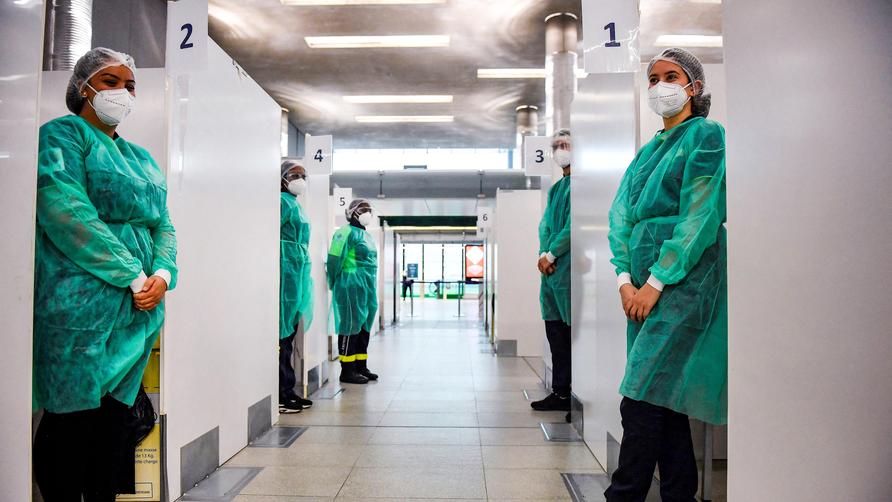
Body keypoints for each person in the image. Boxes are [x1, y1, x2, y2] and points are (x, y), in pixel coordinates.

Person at [32, 47, 178, 501]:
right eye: (112, 82)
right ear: (83, 88)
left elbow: (163, 224)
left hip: (138, 313)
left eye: (130, 85)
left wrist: (162, 273)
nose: (123, 92)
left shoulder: (141, 157)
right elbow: (66, 211)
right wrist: (133, 276)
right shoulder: (63, 136)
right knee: (70, 424)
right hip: (81, 309)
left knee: (114, 432)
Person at [604, 48, 727, 502]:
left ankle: (624, 494)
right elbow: (620, 216)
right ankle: (679, 495)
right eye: (653, 78)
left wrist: (656, 283)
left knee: (638, 401)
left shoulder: (706, 136)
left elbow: (699, 217)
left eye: (670, 76)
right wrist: (624, 279)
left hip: (683, 286)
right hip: (638, 289)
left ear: (694, 86)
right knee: (665, 400)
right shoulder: (648, 150)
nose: (660, 86)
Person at [531, 129, 573, 418]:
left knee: (571, 338)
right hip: (551, 272)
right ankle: (559, 391)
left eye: (565, 145)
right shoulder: (557, 188)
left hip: (566, 269)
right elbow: (546, 226)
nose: (560, 150)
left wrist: (552, 254)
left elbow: (574, 226)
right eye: (556, 146)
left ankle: (572, 394)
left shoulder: (579, 186)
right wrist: (544, 256)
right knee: (555, 334)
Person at [327, 199, 379, 384]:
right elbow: (334, 259)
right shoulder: (344, 232)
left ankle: (360, 366)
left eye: (369, 210)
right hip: (350, 285)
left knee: (364, 325)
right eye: (362, 209)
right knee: (350, 326)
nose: (367, 213)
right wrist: (333, 282)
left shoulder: (368, 236)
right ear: (352, 213)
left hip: (367, 286)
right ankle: (347, 371)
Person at [278, 160, 314, 413]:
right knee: (280, 339)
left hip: (295, 274)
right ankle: (281, 393)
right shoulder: (279, 202)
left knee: (288, 336)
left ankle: (288, 389)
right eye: (294, 175)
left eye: (303, 175)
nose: (299, 179)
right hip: (283, 271)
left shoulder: (296, 206)